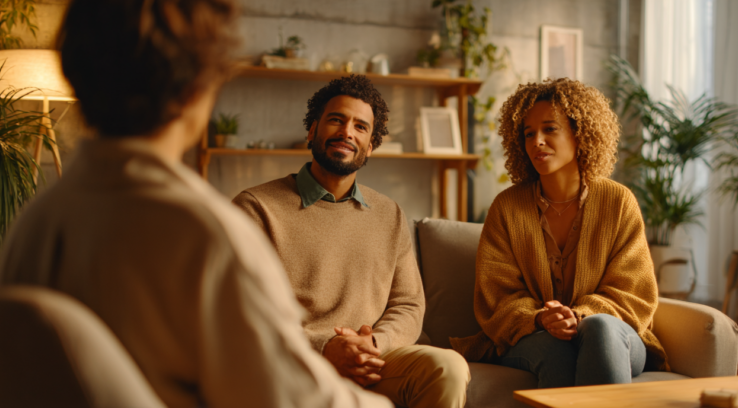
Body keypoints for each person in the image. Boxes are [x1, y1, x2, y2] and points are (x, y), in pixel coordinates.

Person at [0, 1, 391, 407]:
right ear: (197, 88)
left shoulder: (32, 226)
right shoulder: (211, 235)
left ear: (74, 72)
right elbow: (292, 400)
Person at [231, 75, 471, 408]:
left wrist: (373, 343)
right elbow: (239, 312)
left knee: (448, 367)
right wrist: (325, 347)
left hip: (373, 359)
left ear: (371, 145)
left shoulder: (389, 214)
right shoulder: (256, 208)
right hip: (292, 361)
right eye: (336, 120)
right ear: (312, 130)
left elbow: (409, 304)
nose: (347, 132)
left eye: (361, 127)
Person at [450, 78, 669, 389]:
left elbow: (633, 293)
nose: (536, 141)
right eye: (528, 133)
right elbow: (497, 298)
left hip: (613, 335)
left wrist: (579, 316)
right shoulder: (506, 208)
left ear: (580, 133)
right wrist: (541, 319)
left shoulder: (618, 202)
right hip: (535, 336)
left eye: (549, 129)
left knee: (600, 329)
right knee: (556, 349)